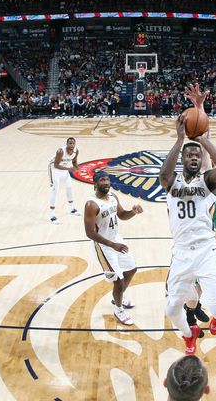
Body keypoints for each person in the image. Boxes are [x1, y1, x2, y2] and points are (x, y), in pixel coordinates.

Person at [159, 83, 216, 355]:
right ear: (182, 158)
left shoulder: (207, 181)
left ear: (200, 159)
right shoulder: (171, 181)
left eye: (196, 155)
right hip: (180, 253)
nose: (193, 157)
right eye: (188, 154)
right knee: (170, 308)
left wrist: (201, 138)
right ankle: (189, 336)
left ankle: (215, 320)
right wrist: (180, 140)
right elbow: (163, 177)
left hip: (205, 250)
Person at [184, 105, 216, 336]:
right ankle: (189, 315)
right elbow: (206, 149)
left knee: (205, 280)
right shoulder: (207, 177)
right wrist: (200, 110)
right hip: (201, 238)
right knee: (200, 281)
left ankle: (196, 310)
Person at [83, 171, 143, 325]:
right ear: (95, 184)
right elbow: (89, 233)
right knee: (119, 280)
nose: (106, 182)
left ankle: (118, 298)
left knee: (131, 269)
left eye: (107, 180)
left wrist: (133, 212)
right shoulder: (91, 204)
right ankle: (119, 310)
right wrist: (112, 245)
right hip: (104, 245)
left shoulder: (113, 197)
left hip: (116, 240)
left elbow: (122, 215)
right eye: (102, 180)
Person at [48, 137, 80, 225]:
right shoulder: (60, 151)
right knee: (56, 189)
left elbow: (74, 162)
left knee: (69, 187)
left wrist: (77, 168)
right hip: (54, 168)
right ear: (66, 144)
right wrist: (69, 169)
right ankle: (52, 215)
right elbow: (56, 165)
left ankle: (72, 208)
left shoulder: (76, 151)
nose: (71, 145)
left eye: (73, 143)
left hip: (64, 168)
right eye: (70, 143)